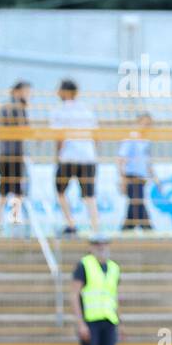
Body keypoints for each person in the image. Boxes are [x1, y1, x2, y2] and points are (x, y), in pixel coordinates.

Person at [50, 79, 100, 237]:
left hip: (69, 157)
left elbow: (59, 137)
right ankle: (95, 228)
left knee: (60, 191)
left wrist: (57, 156)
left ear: (66, 92)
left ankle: (71, 223)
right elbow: (96, 135)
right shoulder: (87, 109)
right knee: (89, 195)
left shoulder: (59, 111)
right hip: (88, 157)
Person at [0, 80, 30, 233]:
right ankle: (1, 218)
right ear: (17, 91)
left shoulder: (17, 107)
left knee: (14, 189)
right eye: (25, 91)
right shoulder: (11, 107)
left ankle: (9, 218)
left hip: (12, 154)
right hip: (10, 154)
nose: (28, 95)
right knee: (7, 188)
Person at [117, 111, 156, 232]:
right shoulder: (131, 138)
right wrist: (122, 179)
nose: (147, 126)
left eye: (149, 124)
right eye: (145, 123)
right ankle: (146, 227)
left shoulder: (146, 140)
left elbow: (147, 161)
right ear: (138, 122)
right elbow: (121, 159)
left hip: (141, 177)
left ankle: (128, 226)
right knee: (137, 201)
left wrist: (154, 177)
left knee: (135, 202)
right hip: (131, 176)